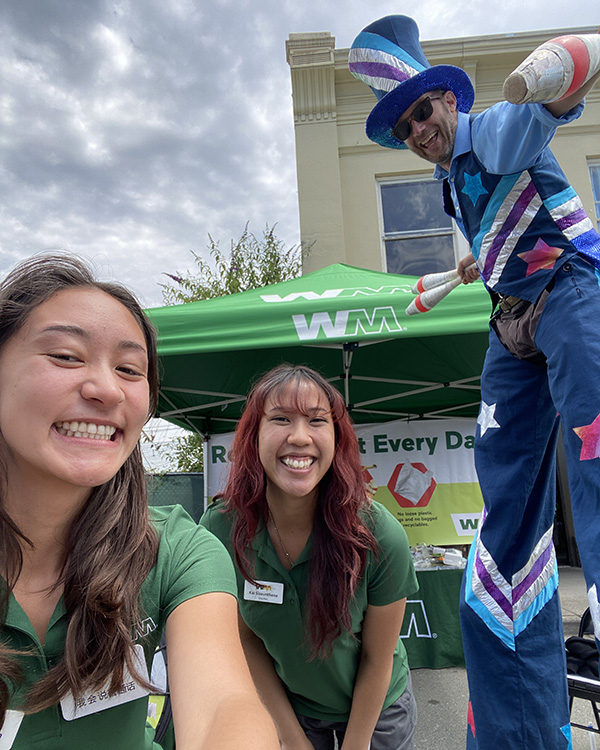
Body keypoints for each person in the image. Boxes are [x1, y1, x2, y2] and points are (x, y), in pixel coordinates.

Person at [350, 14, 600, 750]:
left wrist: (551, 88)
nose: (418, 129)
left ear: (449, 102)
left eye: (423, 112)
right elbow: (495, 227)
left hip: (569, 291)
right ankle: (513, 724)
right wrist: (458, 271)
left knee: (593, 452)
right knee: (503, 516)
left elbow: (538, 118)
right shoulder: (447, 174)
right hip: (511, 317)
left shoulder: (488, 131)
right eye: (403, 126)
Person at [0, 253, 279, 750]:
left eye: (130, 369)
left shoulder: (175, 547)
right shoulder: (221, 517)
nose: (106, 389)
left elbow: (223, 706)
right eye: (65, 355)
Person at [200, 364, 418, 750]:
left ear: (337, 438)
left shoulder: (379, 535)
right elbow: (246, 641)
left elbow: (377, 661)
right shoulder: (221, 529)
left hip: (377, 710)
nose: (299, 437)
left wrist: (355, 745)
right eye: (281, 418)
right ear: (253, 436)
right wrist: (292, 738)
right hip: (292, 706)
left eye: (317, 420)